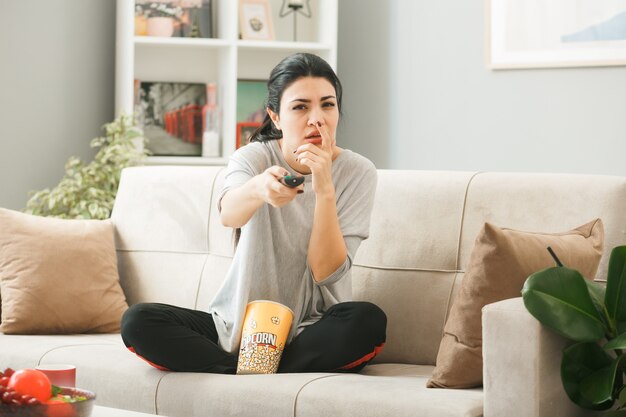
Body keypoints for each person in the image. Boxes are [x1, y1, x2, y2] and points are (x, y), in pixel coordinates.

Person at [121, 52, 387, 374]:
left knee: (367, 321)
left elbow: (325, 272)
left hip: (312, 328)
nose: (316, 118)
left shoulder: (358, 172)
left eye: (327, 105)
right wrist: (259, 188)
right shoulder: (253, 159)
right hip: (238, 328)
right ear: (275, 117)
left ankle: (247, 369)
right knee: (139, 321)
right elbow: (229, 215)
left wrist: (325, 187)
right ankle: (250, 366)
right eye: (300, 107)